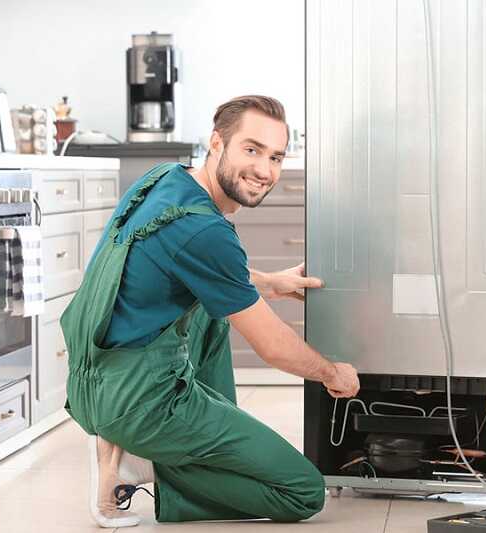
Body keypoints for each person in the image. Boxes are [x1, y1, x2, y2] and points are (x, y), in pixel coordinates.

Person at [61, 95, 360, 528]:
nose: (265, 170)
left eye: (276, 157)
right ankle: (144, 464)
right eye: (252, 149)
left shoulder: (165, 178)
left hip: (92, 380)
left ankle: (170, 441)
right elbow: (273, 347)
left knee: (213, 309)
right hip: (136, 402)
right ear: (217, 143)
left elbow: (193, 264)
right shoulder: (205, 230)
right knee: (303, 492)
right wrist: (333, 374)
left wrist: (270, 282)